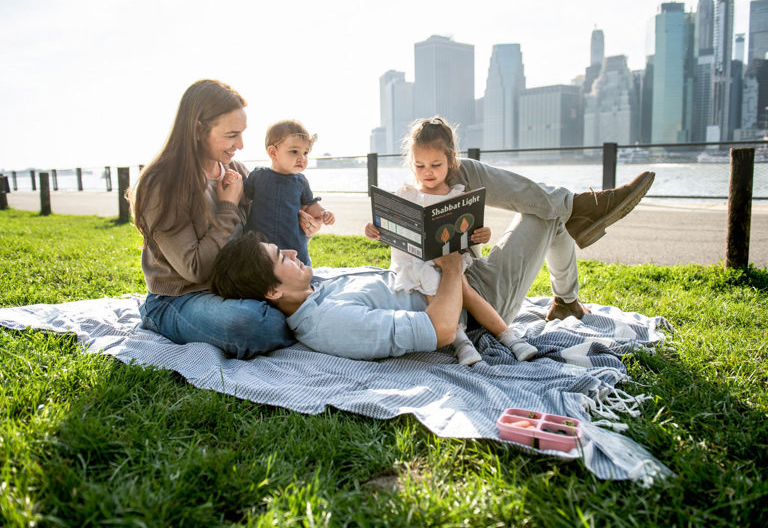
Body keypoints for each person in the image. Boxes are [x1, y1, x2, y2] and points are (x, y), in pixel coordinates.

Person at [209, 115, 655, 361]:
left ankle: (570, 243)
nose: (290, 248)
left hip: (455, 274)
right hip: (476, 305)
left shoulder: (313, 290)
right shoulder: (330, 323)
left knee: (460, 173)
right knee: (548, 216)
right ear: (272, 289)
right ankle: (575, 217)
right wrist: (452, 264)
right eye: (280, 256)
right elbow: (441, 328)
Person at [127, 79, 315, 358]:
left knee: (305, 290)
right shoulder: (162, 184)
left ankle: (305, 319)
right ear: (198, 131)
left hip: (236, 286)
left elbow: (257, 236)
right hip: (181, 297)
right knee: (254, 322)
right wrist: (227, 208)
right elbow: (194, 269)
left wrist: (301, 228)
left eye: (242, 133)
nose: (240, 144)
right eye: (231, 135)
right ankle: (305, 323)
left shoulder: (235, 170)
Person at [364, 117, 537, 365]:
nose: (428, 172)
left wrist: (482, 234)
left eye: (436, 164)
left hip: (451, 261)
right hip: (415, 264)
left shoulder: (458, 195)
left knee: (464, 288)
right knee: (433, 283)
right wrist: (374, 229)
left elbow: (471, 234)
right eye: (420, 166)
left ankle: (509, 337)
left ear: (451, 159)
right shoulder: (407, 194)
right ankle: (461, 342)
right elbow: (390, 227)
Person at [244, 119, 335, 266]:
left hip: (292, 243)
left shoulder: (300, 181)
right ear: (273, 153)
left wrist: (324, 213)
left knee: (297, 272)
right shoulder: (258, 175)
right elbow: (242, 196)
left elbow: (310, 205)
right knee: (259, 273)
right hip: (261, 244)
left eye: (306, 152)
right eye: (294, 151)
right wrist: (232, 181)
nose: (302, 158)